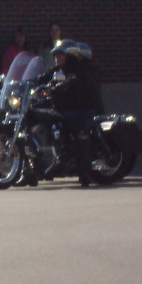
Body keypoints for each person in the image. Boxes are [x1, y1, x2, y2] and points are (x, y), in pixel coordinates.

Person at [40, 39, 96, 186]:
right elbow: (43, 78)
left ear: (70, 56)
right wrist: (26, 83)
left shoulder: (81, 70)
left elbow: (80, 83)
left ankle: (85, 173)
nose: (57, 58)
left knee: (81, 135)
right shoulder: (57, 71)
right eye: (56, 56)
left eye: (60, 55)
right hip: (63, 110)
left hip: (81, 110)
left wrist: (67, 83)